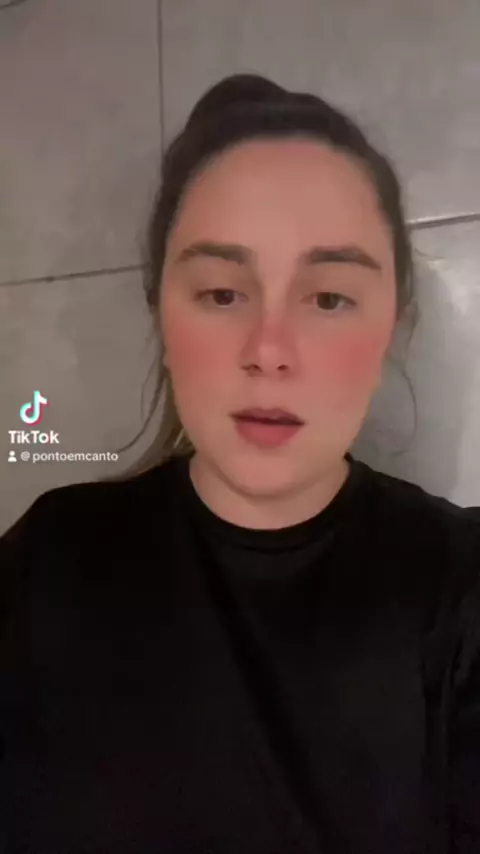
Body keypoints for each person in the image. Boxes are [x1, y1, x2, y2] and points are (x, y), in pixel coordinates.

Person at [1, 73, 479, 854]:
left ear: (394, 323)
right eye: (223, 293)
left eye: (328, 298)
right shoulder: (48, 561)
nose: (268, 351)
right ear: (162, 311)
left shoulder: (461, 590)